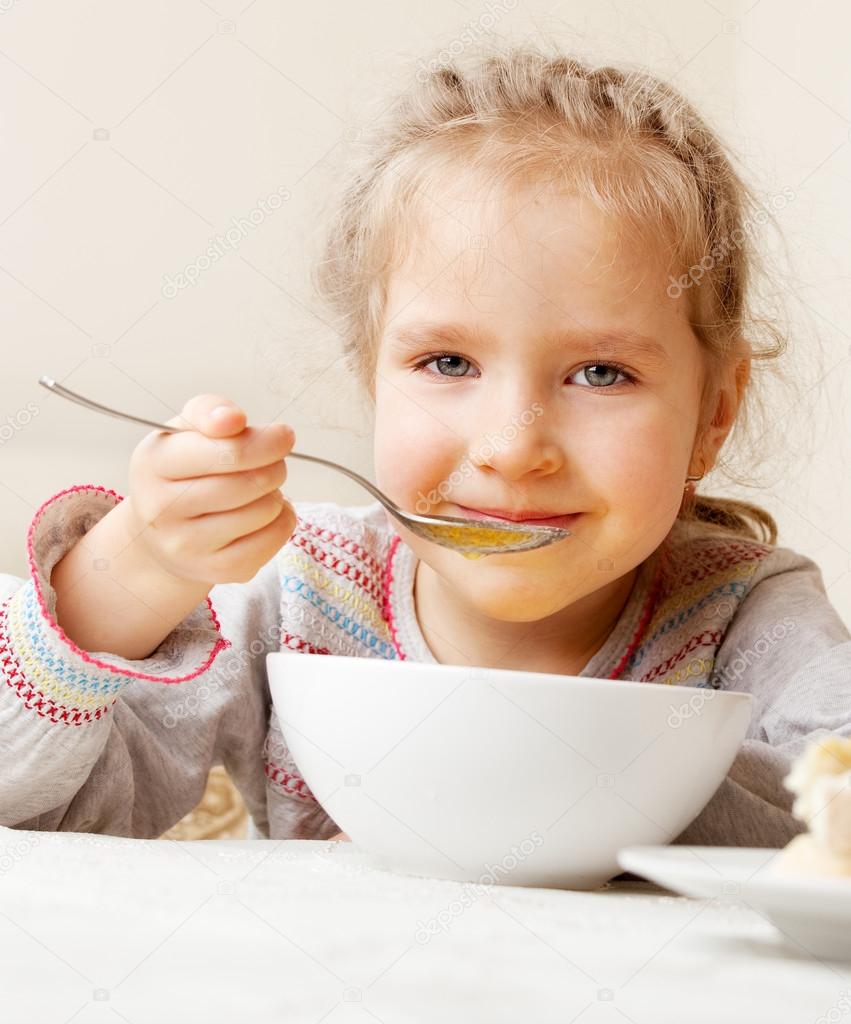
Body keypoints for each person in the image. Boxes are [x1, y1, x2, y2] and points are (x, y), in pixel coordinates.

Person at [1, 43, 849, 852]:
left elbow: (834, 829)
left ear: (713, 414)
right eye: (447, 363)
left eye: (599, 373)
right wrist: (130, 573)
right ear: (371, 378)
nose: (511, 449)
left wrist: (563, 761)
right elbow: (37, 811)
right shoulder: (305, 596)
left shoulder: (745, 614)